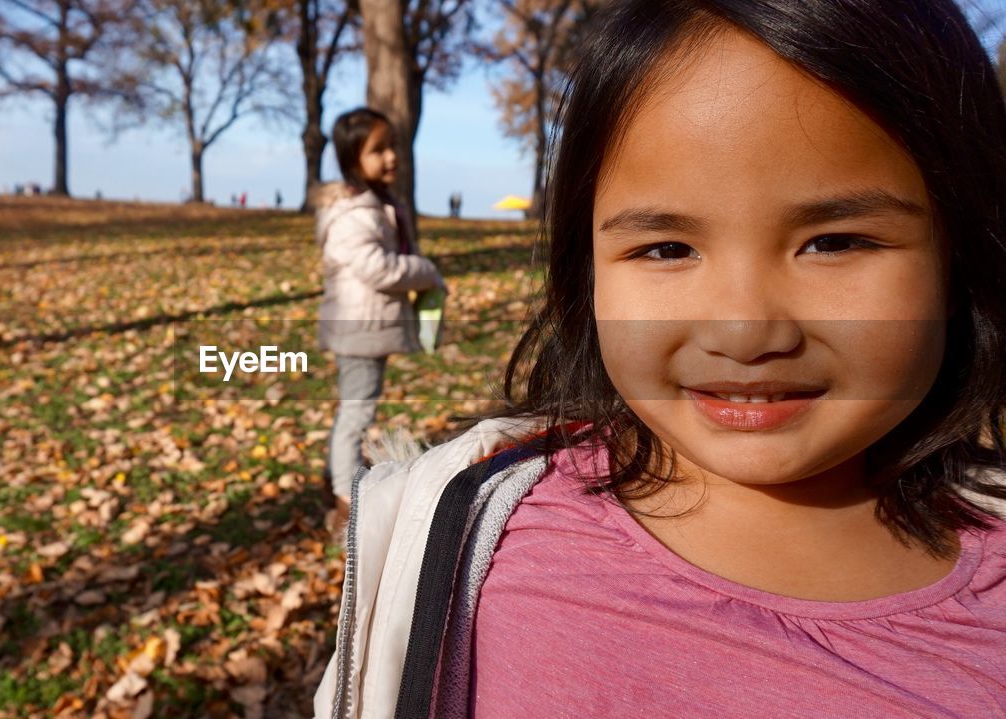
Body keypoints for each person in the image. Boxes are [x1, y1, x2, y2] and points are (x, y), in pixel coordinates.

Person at [314, 1, 1006, 717]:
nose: (743, 329)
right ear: (588, 271)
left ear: (959, 258)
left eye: (836, 241)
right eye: (667, 248)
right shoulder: (468, 538)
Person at [316, 107, 445, 533]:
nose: (391, 156)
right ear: (354, 158)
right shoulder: (358, 212)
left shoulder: (375, 205)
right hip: (360, 329)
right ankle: (343, 500)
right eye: (378, 150)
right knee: (355, 413)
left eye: (392, 146)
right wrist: (424, 269)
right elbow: (378, 269)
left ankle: (339, 480)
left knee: (355, 409)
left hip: (363, 327)